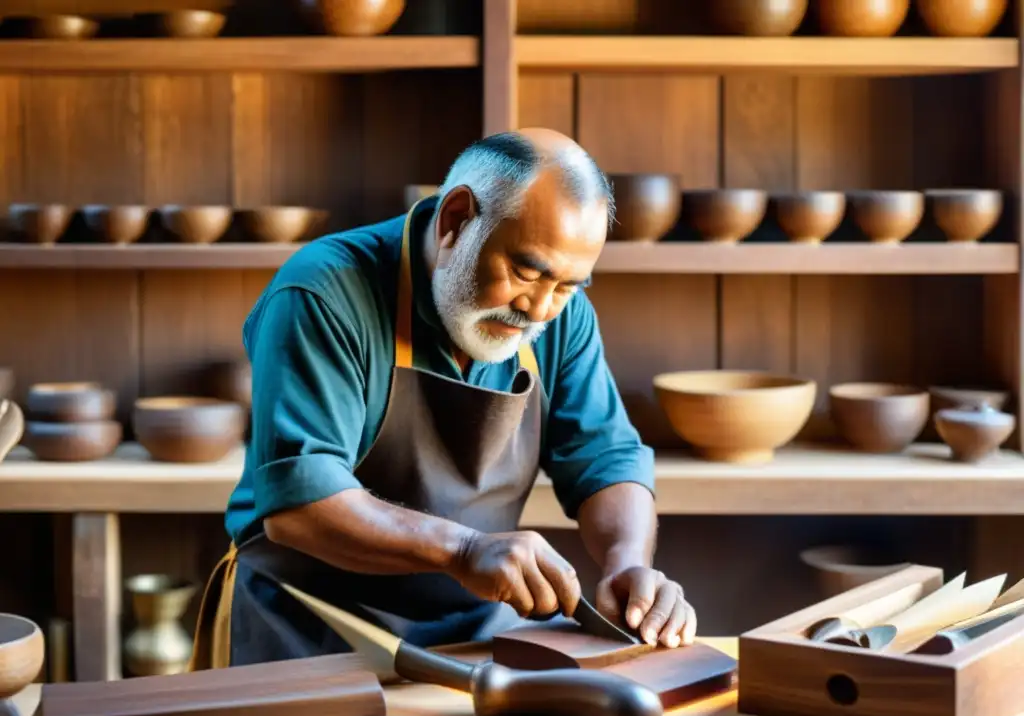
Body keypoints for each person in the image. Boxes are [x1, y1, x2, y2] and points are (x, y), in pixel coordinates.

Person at [189, 128, 696, 671]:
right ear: (456, 220)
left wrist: (627, 565)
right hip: (307, 623)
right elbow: (300, 506)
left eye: (570, 285)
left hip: (477, 630)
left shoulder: (559, 316)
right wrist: (464, 551)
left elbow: (605, 458)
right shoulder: (324, 291)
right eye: (526, 273)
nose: (543, 309)